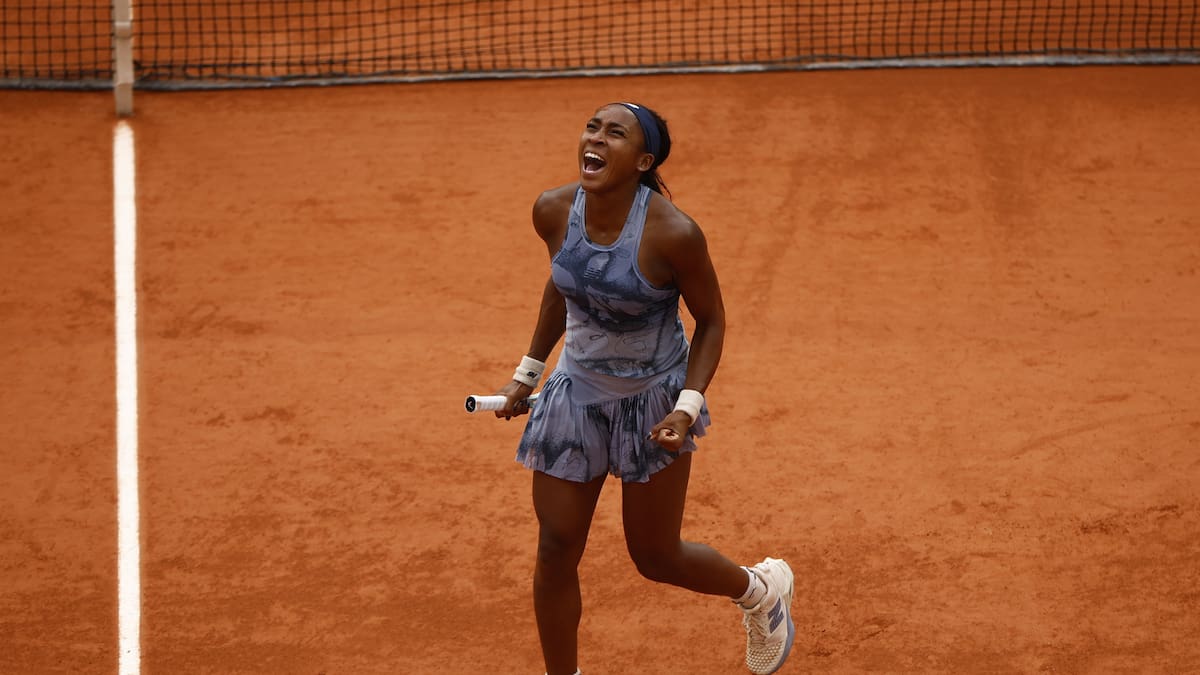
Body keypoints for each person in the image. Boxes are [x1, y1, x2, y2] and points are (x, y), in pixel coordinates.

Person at [491, 102, 794, 675]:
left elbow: (712, 322)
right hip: (575, 397)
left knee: (655, 556)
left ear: (643, 160)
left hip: (652, 401)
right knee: (556, 547)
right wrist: (527, 374)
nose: (596, 139)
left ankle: (761, 592)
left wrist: (686, 406)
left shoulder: (674, 234)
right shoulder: (553, 210)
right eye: (592, 127)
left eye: (615, 134)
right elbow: (564, 284)